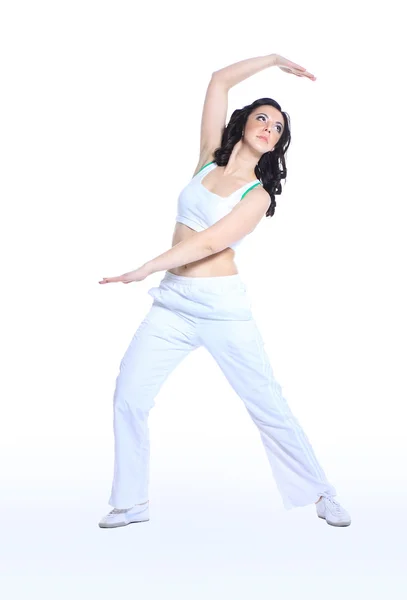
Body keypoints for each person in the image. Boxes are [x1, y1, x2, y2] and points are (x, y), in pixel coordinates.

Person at [98, 53, 351, 529]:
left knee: (266, 403)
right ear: (245, 122)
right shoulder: (207, 158)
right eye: (262, 118)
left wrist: (145, 268)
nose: (269, 129)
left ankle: (322, 492)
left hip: (221, 308)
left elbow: (210, 241)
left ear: (277, 146)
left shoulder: (257, 194)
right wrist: (274, 59)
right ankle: (132, 502)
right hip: (174, 304)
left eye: (277, 128)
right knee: (129, 395)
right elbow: (217, 81)